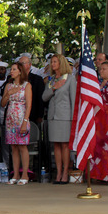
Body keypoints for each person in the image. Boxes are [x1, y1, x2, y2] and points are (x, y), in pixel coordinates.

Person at [42, 54, 76, 184]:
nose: (53, 64)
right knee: (55, 144)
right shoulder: (51, 80)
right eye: (52, 62)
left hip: (65, 116)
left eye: (55, 62)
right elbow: (44, 97)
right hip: (53, 116)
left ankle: (66, 172)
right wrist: (53, 88)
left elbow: (73, 100)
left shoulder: (70, 79)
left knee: (64, 145)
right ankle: (58, 172)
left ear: (61, 63)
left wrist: (74, 119)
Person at [1, 62, 32, 185]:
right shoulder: (8, 86)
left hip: (21, 118)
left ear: (20, 71)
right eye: (11, 69)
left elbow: (29, 105)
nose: (11, 71)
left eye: (14, 69)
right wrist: (9, 93)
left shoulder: (26, 85)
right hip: (10, 119)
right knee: (13, 147)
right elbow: (3, 104)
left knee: (22, 146)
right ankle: (15, 174)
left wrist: (25, 122)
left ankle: (25, 174)